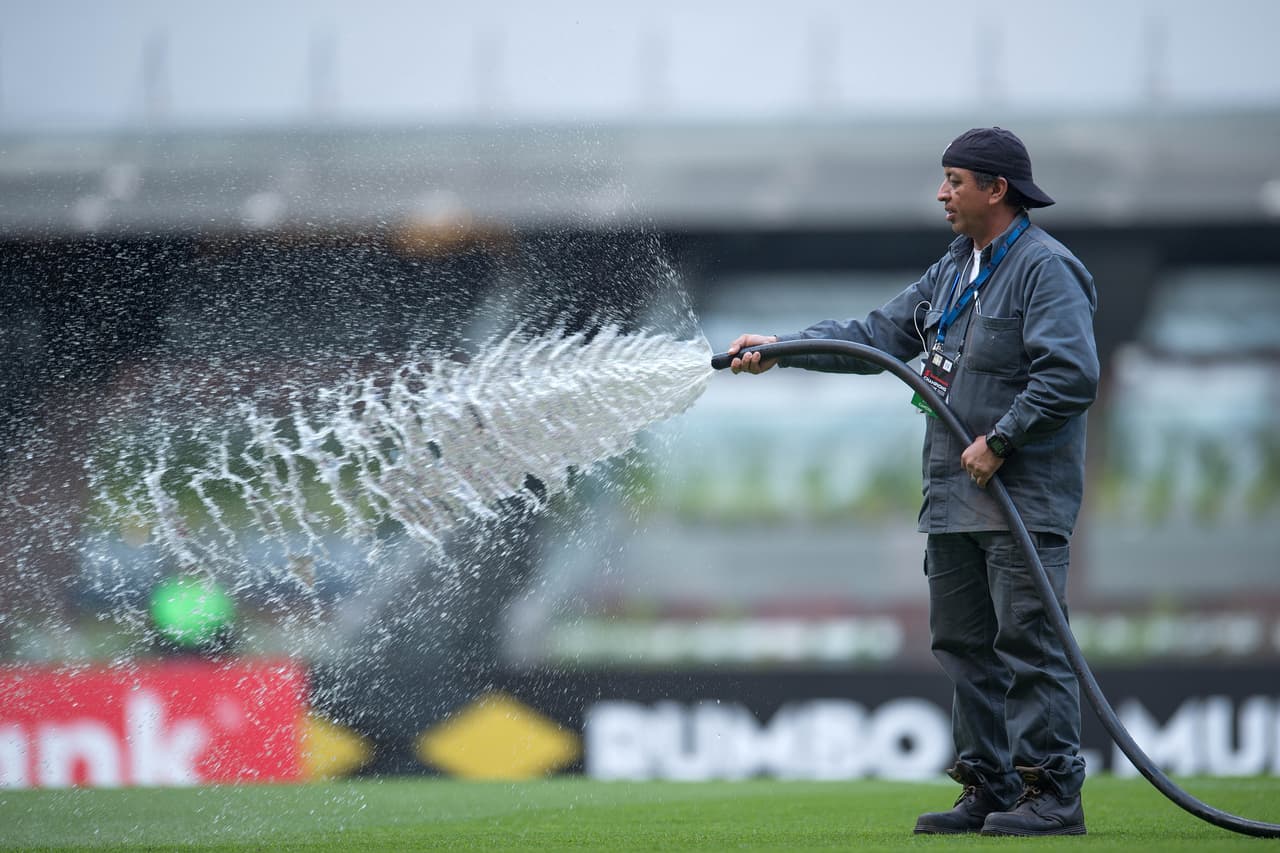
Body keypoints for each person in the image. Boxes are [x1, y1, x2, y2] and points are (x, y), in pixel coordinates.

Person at [727, 127, 1098, 837]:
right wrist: (783, 349)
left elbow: (1071, 375)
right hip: (954, 500)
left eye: (955, 180)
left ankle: (1052, 794)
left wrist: (1003, 438)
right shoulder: (957, 265)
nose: (941, 193)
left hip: (1021, 498)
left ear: (997, 189)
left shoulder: (1047, 269)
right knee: (963, 645)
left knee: (1030, 646)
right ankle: (990, 786)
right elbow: (876, 335)